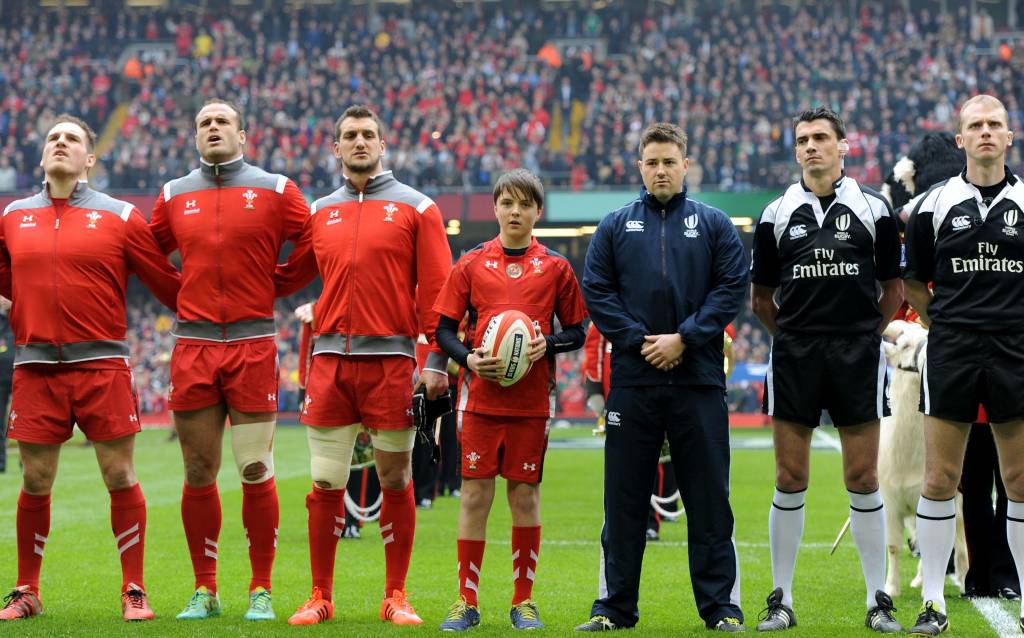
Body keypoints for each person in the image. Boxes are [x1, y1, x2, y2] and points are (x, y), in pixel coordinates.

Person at [273, 104, 453, 626]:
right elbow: (288, 276)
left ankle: (395, 595)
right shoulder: (320, 211)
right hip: (329, 359)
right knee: (326, 482)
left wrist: (436, 360)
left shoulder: (418, 208)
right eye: (349, 135)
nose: (359, 142)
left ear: (382, 144)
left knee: (395, 478)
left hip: (393, 361)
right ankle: (319, 596)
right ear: (335, 148)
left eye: (368, 134)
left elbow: (438, 292)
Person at [0, 114, 181, 621]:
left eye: (72, 139)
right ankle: (27, 590)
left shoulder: (121, 216)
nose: (61, 144)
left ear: (90, 158)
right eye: (53, 138)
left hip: (102, 365)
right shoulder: (13, 216)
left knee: (119, 474)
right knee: (35, 479)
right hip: (35, 367)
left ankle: (134, 589)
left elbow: (166, 282)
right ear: (42, 156)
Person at [577, 122, 748, 632]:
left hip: (698, 381)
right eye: (651, 162)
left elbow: (731, 288)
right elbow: (597, 292)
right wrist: (641, 341)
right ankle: (613, 608)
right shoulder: (614, 226)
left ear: (686, 164)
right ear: (639, 167)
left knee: (709, 500)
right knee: (624, 501)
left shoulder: (715, 224)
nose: (660, 170)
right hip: (634, 381)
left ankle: (721, 608)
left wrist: (685, 338)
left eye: (669, 161)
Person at [148, 98, 308, 621]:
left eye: (222, 122)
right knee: (198, 469)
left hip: (253, 342)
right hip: (193, 344)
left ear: (244, 134)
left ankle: (260, 589)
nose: (212, 128)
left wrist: (274, 286)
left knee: (256, 467)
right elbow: (148, 257)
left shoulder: (277, 189)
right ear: (194, 136)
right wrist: (181, 292)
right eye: (203, 123)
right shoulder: (173, 195)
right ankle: (206, 589)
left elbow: (313, 245)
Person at [750, 106, 903, 633]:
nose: (811, 146)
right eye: (802, 140)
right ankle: (782, 600)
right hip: (794, 355)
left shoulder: (875, 210)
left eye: (821, 138)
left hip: (857, 355)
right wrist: (793, 339)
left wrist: (862, 337)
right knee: (789, 478)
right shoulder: (774, 214)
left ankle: (877, 600)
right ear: (794, 151)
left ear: (843, 146)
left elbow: (895, 290)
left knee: (862, 477)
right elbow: (761, 299)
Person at [432, 168, 587, 631]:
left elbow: (578, 330)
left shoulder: (556, 267)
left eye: (524, 204)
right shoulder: (471, 263)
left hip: (532, 404)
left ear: (538, 211)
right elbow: (442, 328)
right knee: (475, 497)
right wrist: (468, 360)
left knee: (525, 498)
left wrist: (549, 345)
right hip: (479, 401)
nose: (515, 211)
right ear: (495, 208)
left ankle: (523, 602)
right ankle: (466, 601)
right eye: (507, 203)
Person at [902, 94, 1024, 636]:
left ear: (1010, 135)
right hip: (951, 347)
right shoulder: (931, 206)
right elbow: (912, 282)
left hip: (1015, 350)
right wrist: (947, 325)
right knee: (940, 478)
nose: (986, 133)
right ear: (961, 139)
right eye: (975, 125)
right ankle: (933, 601)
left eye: (995, 124)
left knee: (1019, 480)